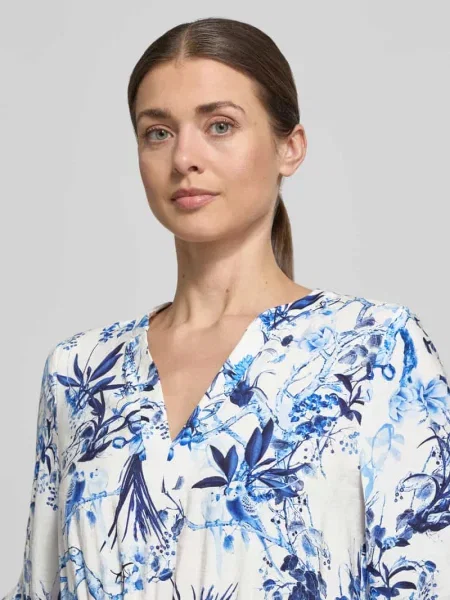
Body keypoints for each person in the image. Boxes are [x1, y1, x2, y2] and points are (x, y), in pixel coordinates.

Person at [3, 16, 450, 600]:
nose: (184, 156)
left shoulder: (375, 349)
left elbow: (426, 576)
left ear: (290, 147)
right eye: (158, 132)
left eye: (220, 125)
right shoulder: (80, 372)